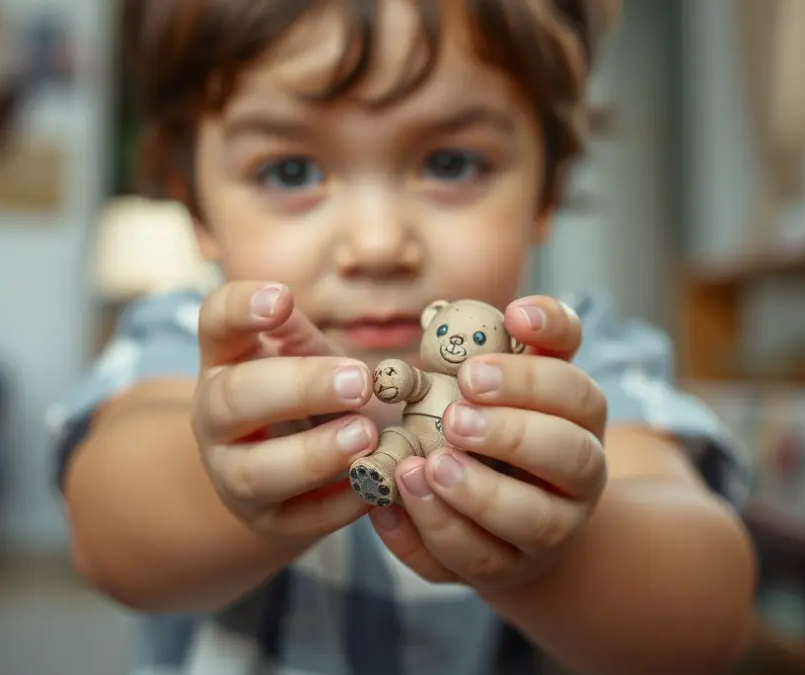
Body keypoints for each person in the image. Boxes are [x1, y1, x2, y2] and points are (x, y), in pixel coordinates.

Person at [52, 1, 758, 674]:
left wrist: (561, 555)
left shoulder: (576, 360)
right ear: (196, 208)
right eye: (291, 171)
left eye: (451, 163)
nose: (378, 244)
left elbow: (707, 621)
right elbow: (109, 535)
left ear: (546, 190)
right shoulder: (193, 345)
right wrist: (226, 477)